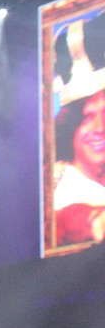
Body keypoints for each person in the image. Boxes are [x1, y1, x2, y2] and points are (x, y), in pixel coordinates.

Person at [53, 18, 105, 246]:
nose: (100, 128)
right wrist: (94, 220)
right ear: (70, 126)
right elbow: (63, 222)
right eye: (87, 117)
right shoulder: (60, 184)